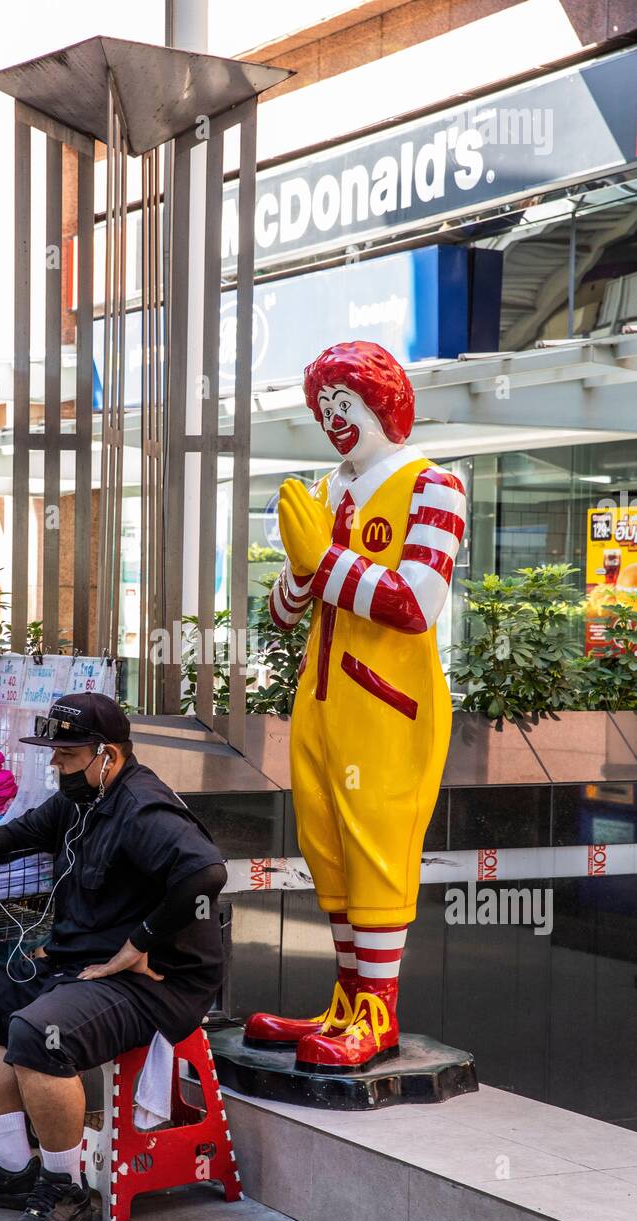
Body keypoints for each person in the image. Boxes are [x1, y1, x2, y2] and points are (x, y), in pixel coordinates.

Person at [0, 692, 227, 1221]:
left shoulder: (144, 809)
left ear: (107, 755)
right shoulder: (79, 797)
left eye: (66, 756)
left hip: (155, 980)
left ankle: (64, 1189)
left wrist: (141, 943)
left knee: (38, 1036)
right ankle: (12, 1165)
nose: (55, 765)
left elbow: (206, 873)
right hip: (83, 963)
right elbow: (13, 838)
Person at [244, 340, 466, 1072]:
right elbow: (282, 613)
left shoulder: (435, 487)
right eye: (324, 408)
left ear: (383, 399)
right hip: (319, 698)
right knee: (328, 853)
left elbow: (414, 605)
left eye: (344, 402)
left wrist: (325, 561)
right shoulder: (327, 490)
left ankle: (379, 1013)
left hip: (388, 708)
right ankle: (345, 1004)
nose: (334, 419)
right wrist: (301, 571)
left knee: (376, 850)